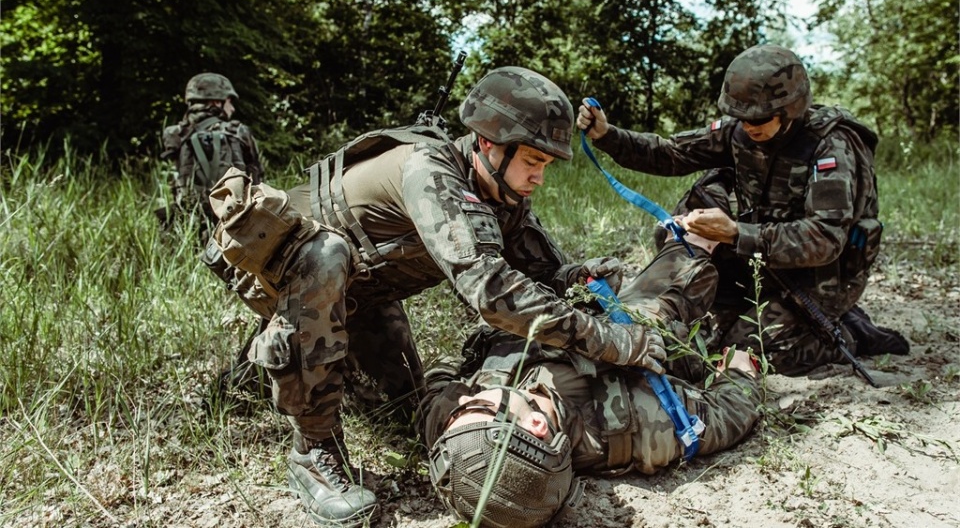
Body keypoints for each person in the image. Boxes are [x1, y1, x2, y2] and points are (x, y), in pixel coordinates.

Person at [203, 66, 668, 528]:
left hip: (364, 293)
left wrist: (579, 277)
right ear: (489, 144)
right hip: (283, 275)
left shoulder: (499, 191)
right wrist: (612, 341)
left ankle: (255, 372)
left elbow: (539, 272)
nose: (539, 178)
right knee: (326, 257)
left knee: (404, 409)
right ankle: (312, 452)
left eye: (544, 165)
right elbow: (490, 291)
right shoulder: (431, 170)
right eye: (532, 161)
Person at [576, 44, 908, 377]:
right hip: (758, 258)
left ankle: (847, 332)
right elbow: (672, 153)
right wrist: (607, 135)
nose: (749, 126)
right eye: (741, 116)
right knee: (705, 336)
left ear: (790, 108)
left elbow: (824, 240)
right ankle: (740, 305)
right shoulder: (739, 131)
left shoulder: (833, 146)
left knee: (752, 352)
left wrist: (737, 233)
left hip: (822, 276)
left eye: (759, 118)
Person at [419, 236, 762, 528]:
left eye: (456, 416)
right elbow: (728, 414)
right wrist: (740, 372)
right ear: (537, 424)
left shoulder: (467, 440)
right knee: (696, 266)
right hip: (652, 337)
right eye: (480, 405)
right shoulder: (641, 424)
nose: (464, 401)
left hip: (584, 322)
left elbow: (436, 389)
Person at [159, 72, 263, 243]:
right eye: (229, 102)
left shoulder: (175, 135)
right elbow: (258, 181)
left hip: (188, 224)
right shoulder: (238, 132)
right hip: (234, 225)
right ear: (216, 102)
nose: (232, 108)